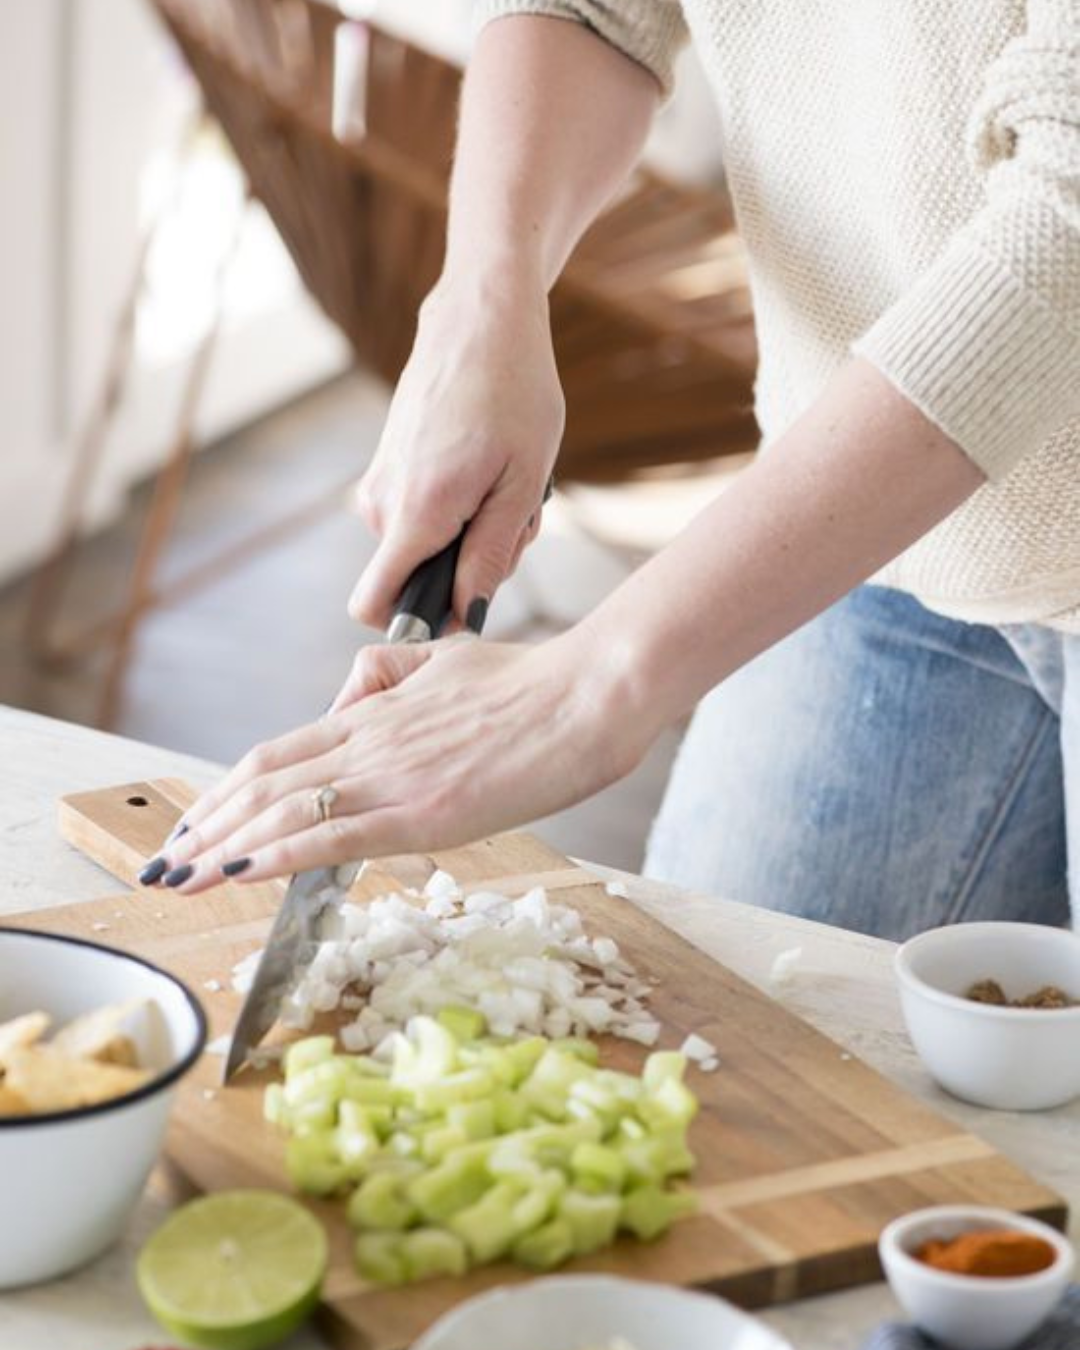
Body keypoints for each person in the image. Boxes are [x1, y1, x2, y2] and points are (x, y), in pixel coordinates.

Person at [140, 2, 1080, 940]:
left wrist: (587, 690)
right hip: (867, 522)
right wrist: (484, 293)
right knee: (731, 1031)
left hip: (908, 473)